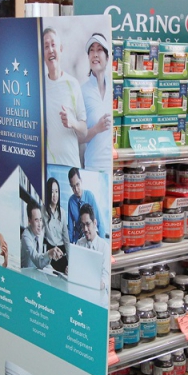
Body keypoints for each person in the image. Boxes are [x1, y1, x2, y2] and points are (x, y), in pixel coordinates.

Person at [42, 27, 87, 167]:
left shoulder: (72, 84)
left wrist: (72, 122)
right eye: (46, 46)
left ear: (60, 49)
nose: (50, 50)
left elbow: (84, 129)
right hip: (48, 166)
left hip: (71, 164)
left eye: (53, 45)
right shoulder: (38, 87)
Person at [81, 32, 114, 171]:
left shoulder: (115, 89)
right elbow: (77, 139)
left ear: (107, 57)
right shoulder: (82, 91)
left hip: (115, 166)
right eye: (91, 50)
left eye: (99, 49)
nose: (95, 54)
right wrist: (96, 129)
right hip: (93, 167)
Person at [74, 203, 109, 289]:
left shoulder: (104, 247)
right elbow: (76, 269)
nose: (85, 229)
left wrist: (101, 284)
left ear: (95, 223)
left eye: (88, 224)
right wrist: (71, 271)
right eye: (82, 225)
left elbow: (106, 276)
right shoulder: (79, 244)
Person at [66, 167, 105, 243]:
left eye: (77, 184)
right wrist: (71, 246)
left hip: (90, 238)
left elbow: (100, 222)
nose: (76, 189)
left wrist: (101, 243)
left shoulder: (90, 196)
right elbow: (70, 229)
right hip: (78, 240)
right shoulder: (71, 201)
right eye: (73, 187)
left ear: (81, 180)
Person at [21, 203, 62, 270]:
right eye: (36, 220)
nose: (40, 224)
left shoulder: (40, 233)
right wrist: (49, 253)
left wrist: (53, 271)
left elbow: (41, 257)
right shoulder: (26, 237)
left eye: (40, 219)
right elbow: (38, 261)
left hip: (36, 272)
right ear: (29, 221)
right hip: (26, 274)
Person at [43, 176, 68, 273]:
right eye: (52, 192)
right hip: (51, 251)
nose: (55, 195)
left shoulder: (62, 212)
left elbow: (66, 239)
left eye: (56, 191)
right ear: (48, 193)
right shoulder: (43, 211)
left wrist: (69, 261)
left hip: (62, 252)